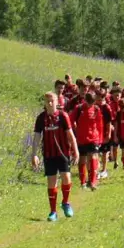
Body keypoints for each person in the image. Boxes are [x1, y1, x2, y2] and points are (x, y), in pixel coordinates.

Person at [32, 91, 80, 221]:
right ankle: (53, 212)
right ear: (45, 103)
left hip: (63, 153)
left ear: (57, 102)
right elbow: (36, 138)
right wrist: (34, 155)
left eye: (52, 101)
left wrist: (76, 151)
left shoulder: (63, 116)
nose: (50, 103)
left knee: (66, 178)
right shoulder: (41, 118)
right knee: (51, 182)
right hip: (49, 155)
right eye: (47, 101)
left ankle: (65, 202)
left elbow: (70, 136)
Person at [73, 89, 108, 189]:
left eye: (92, 102)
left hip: (93, 138)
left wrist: (100, 138)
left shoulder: (96, 109)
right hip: (82, 138)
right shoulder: (79, 108)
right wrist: (75, 129)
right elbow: (70, 120)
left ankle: (93, 182)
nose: (90, 104)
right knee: (82, 160)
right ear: (85, 100)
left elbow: (100, 124)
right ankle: (83, 182)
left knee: (93, 158)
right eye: (89, 102)